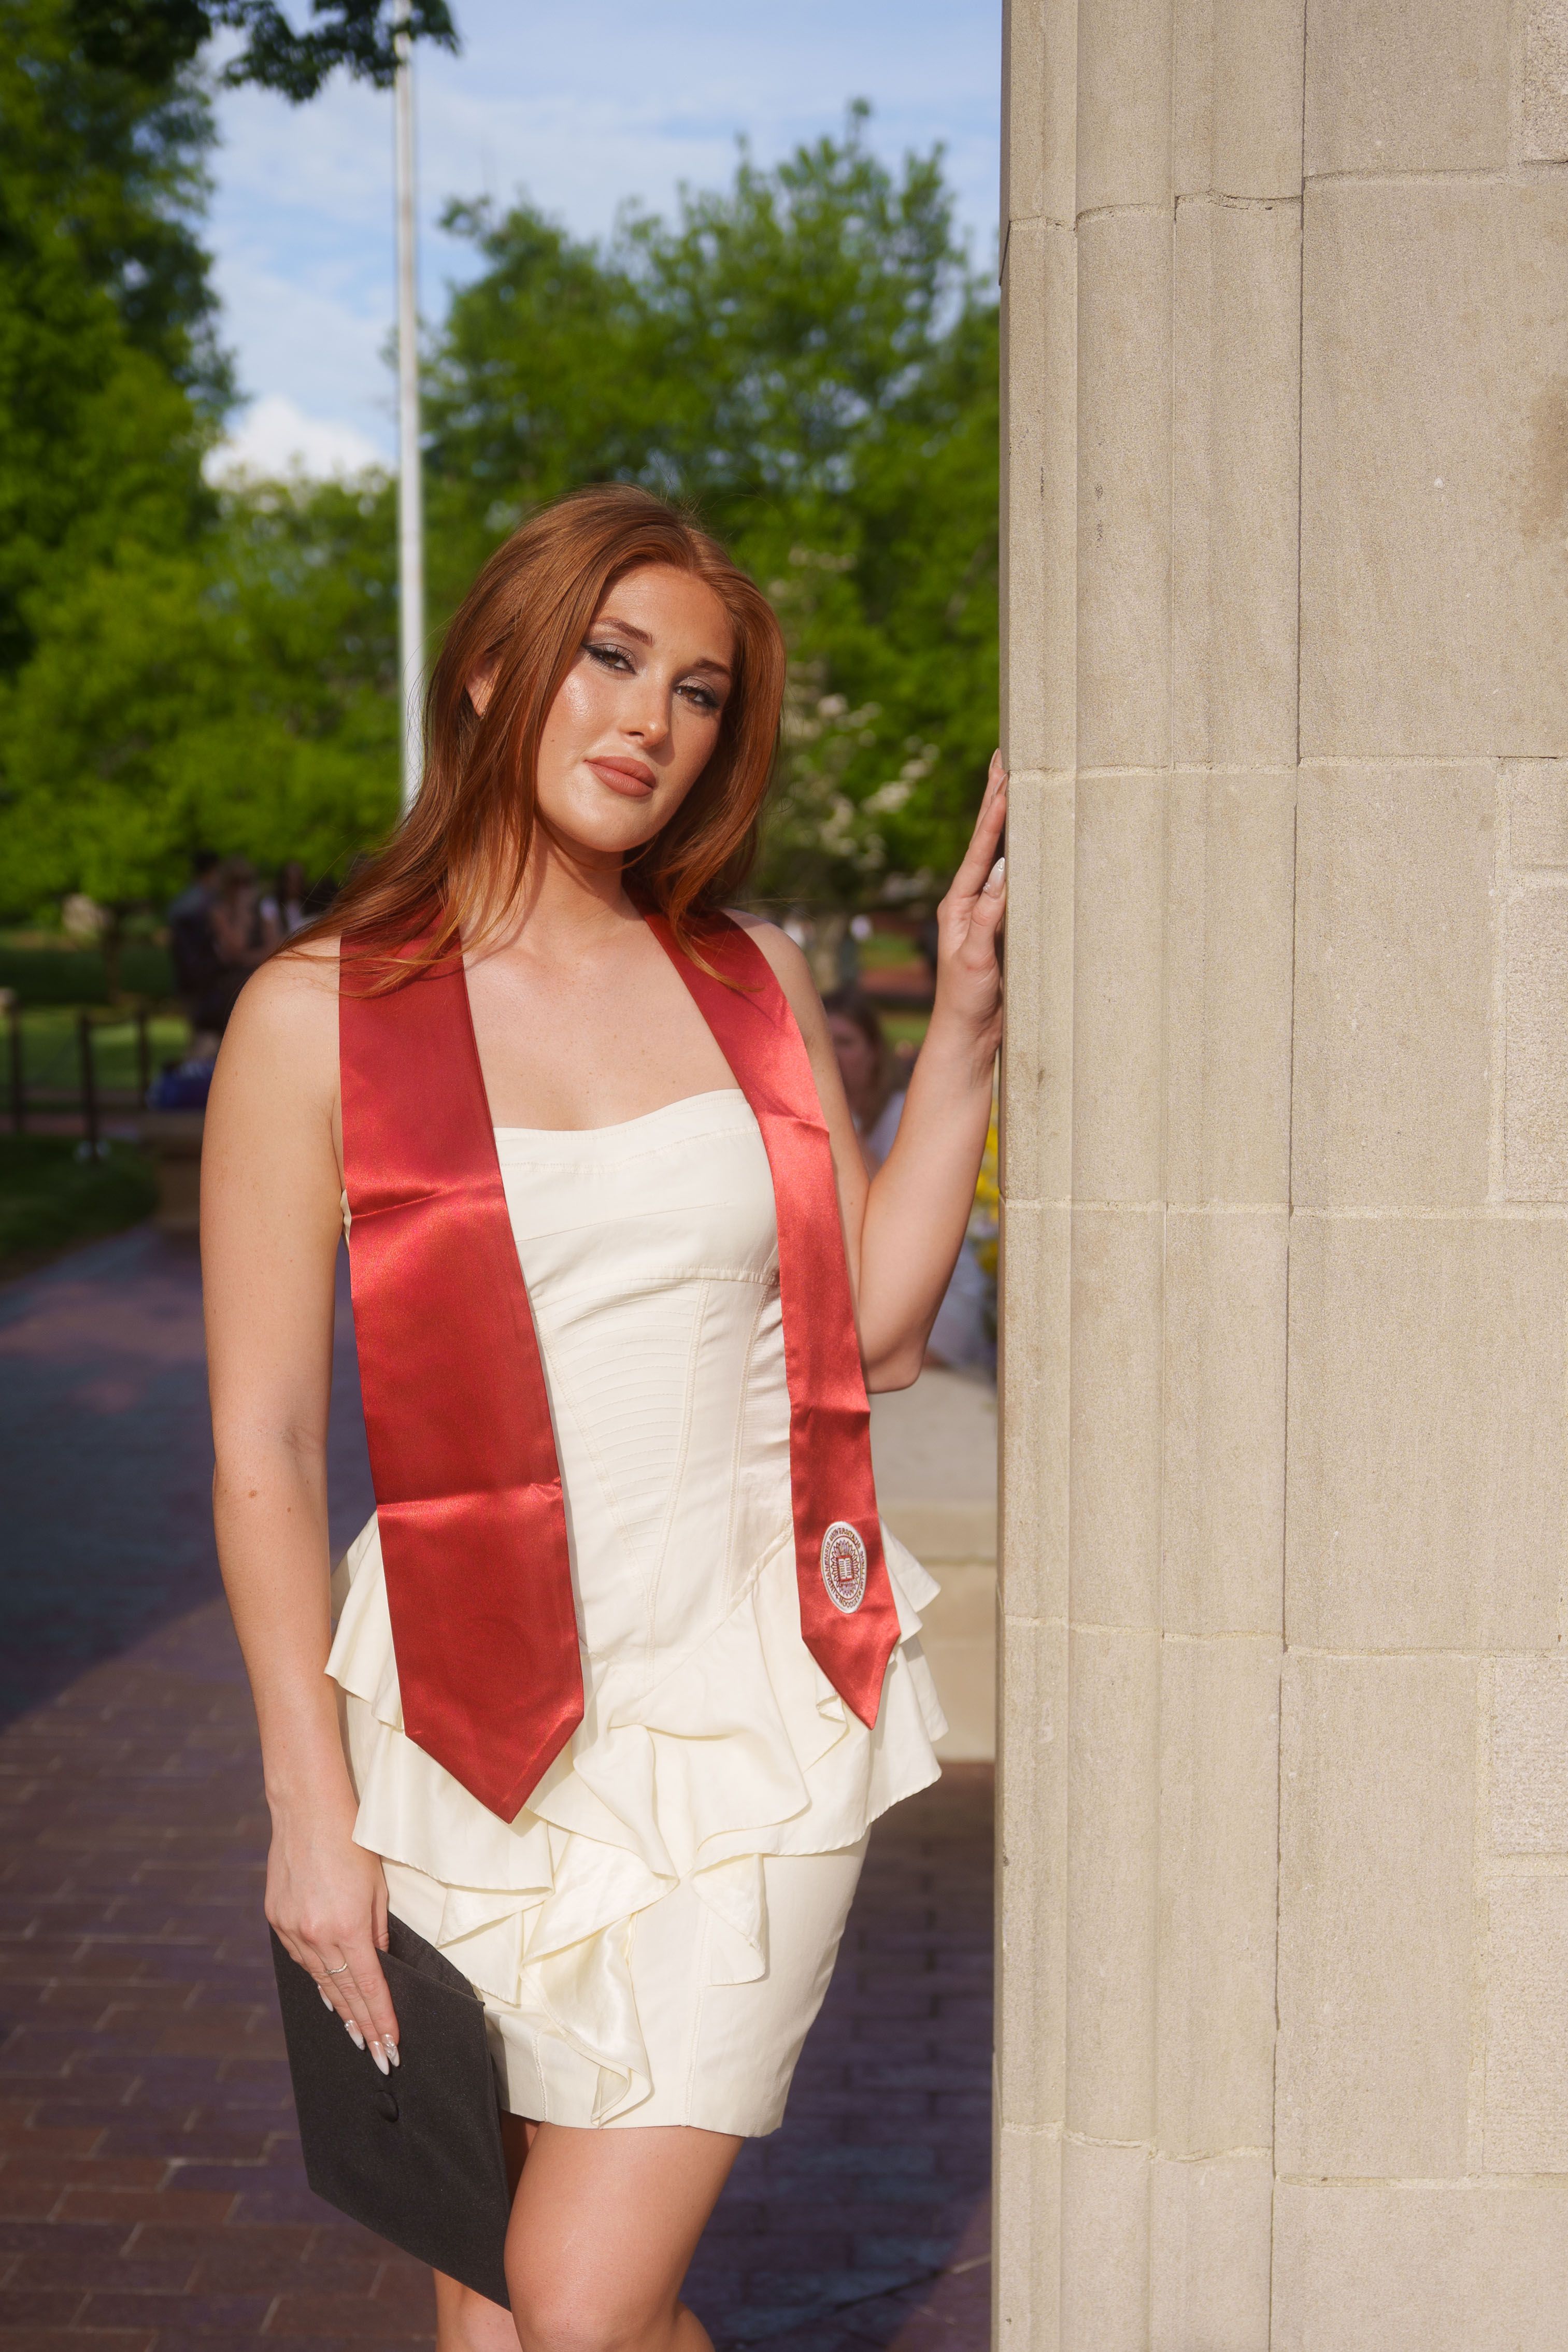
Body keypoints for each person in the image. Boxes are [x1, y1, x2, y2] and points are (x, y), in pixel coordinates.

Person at [201, 484, 1005, 2352]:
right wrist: (308, 1810)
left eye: (700, 691)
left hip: (747, 1704)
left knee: (575, 2299)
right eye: (612, 657)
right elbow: (262, 1449)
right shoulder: (314, 1017)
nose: (653, 718)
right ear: (492, 669)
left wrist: (964, 1023)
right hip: (456, 1726)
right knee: (491, 2300)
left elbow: (878, 1327)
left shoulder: (745, 978)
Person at [825, 985, 995, 1374]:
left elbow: (882, 1208)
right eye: (824, 1043)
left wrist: (840, 1118)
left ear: (873, 1052)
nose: (833, 1055)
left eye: (846, 1042)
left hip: (938, 1292)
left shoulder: (899, 1114)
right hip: (878, 1287)